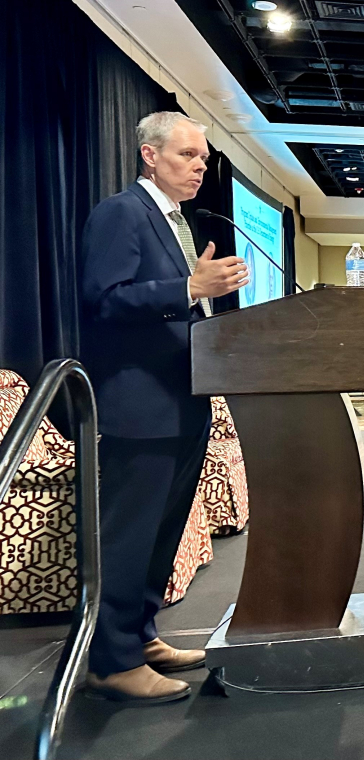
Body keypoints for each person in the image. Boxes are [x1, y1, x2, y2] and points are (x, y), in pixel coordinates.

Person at [79, 112, 248, 703]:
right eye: (187, 156)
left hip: (185, 400)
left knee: (163, 532)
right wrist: (189, 290)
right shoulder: (122, 213)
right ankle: (112, 660)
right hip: (140, 406)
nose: (200, 166)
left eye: (203, 159)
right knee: (131, 535)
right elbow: (104, 300)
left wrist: (205, 297)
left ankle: (141, 635)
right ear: (151, 155)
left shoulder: (176, 221)